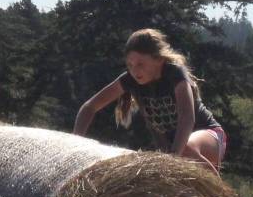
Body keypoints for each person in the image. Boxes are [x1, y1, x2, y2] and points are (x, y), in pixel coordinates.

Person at [72, 28, 226, 174]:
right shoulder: (130, 80)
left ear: (158, 59)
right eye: (130, 65)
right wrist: (75, 145)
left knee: (185, 149)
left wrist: (174, 158)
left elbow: (187, 118)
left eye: (140, 64)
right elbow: (89, 107)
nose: (134, 71)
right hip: (174, 150)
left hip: (210, 137)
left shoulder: (175, 74)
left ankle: (220, 196)